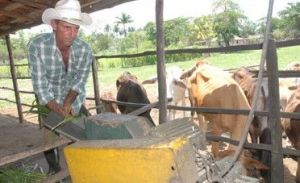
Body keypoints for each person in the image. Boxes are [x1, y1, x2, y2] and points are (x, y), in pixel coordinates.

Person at [27, 0, 93, 175]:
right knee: (50, 139)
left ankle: (85, 169)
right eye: (67, 28)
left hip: (74, 99)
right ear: (54, 24)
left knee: (86, 134)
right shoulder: (37, 47)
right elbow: (40, 86)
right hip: (50, 100)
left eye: (76, 29)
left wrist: (68, 104)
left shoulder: (85, 50)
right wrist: (58, 109)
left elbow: (80, 81)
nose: (72, 34)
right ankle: (54, 170)